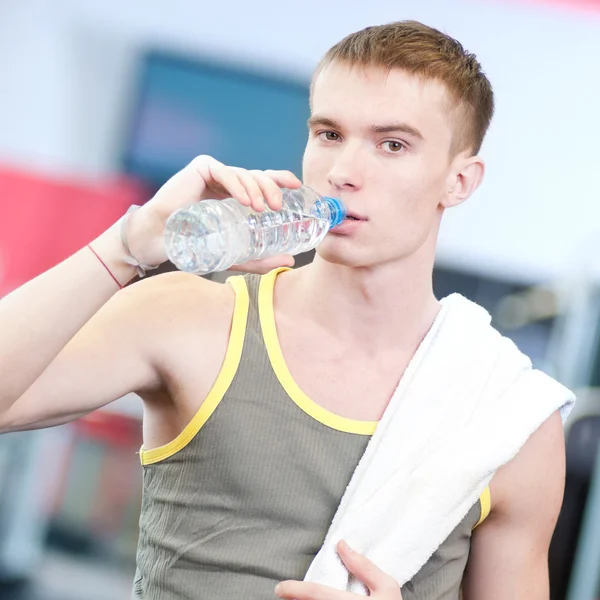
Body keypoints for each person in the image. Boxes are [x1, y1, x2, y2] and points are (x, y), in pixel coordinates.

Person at [0, 20, 568, 600]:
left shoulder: (507, 418)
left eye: (392, 144)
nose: (344, 171)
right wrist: (129, 245)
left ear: (459, 180)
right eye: (328, 133)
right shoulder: (191, 317)